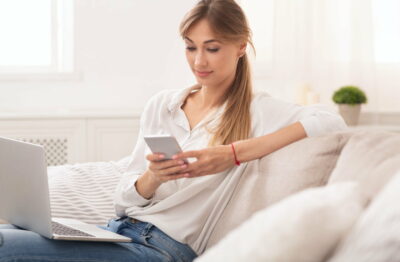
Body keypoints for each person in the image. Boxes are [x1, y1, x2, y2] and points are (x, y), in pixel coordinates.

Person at [0, 0, 347, 261]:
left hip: (162, 249)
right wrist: (152, 178)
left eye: (212, 48)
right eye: (190, 47)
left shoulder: (259, 110)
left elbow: (330, 123)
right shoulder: (163, 105)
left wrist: (233, 153)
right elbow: (125, 199)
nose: (199, 62)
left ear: (241, 47)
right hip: (118, 231)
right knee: (10, 230)